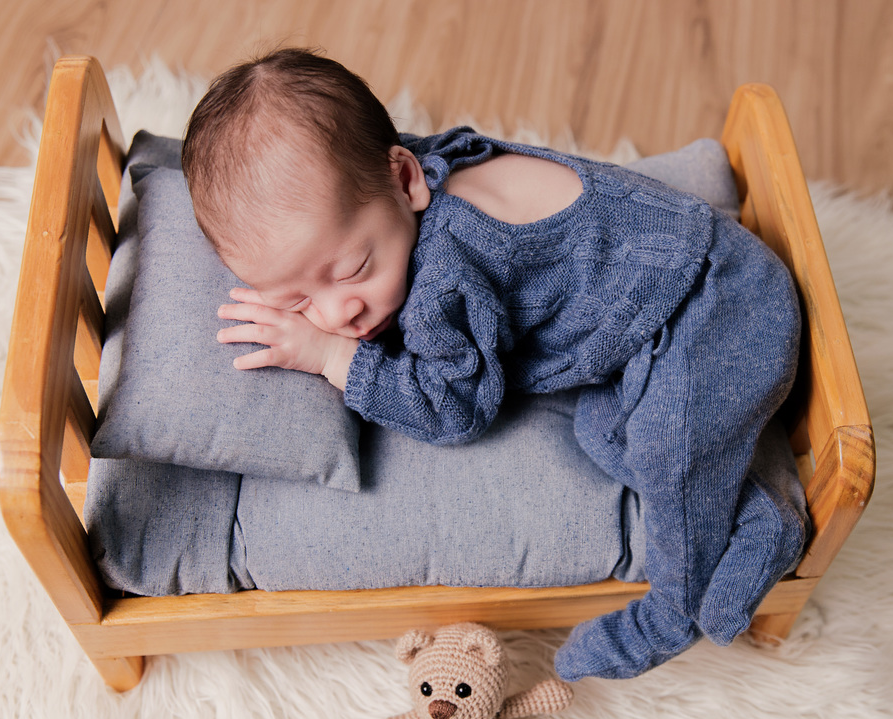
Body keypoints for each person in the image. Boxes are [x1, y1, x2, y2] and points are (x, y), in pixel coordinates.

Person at [182, 48, 805, 681]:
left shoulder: (445, 280)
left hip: (717, 307)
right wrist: (331, 286)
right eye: (297, 300)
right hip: (658, 316)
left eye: (352, 269)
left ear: (406, 179)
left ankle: (673, 611)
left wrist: (331, 356)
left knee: (668, 452)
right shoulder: (395, 178)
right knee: (603, 431)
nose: (338, 311)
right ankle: (761, 521)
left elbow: (454, 409)